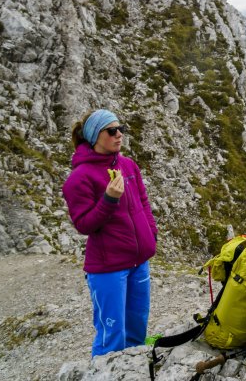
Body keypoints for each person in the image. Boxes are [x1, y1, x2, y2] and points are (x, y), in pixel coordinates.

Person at [62, 109, 158, 357]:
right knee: (112, 337)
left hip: (139, 262)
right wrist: (108, 199)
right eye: (112, 131)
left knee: (137, 331)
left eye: (121, 129)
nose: (119, 135)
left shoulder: (128, 165)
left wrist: (151, 233)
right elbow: (83, 224)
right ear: (95, 136)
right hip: (108, 267)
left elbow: (143, 202)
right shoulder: (79, 178)